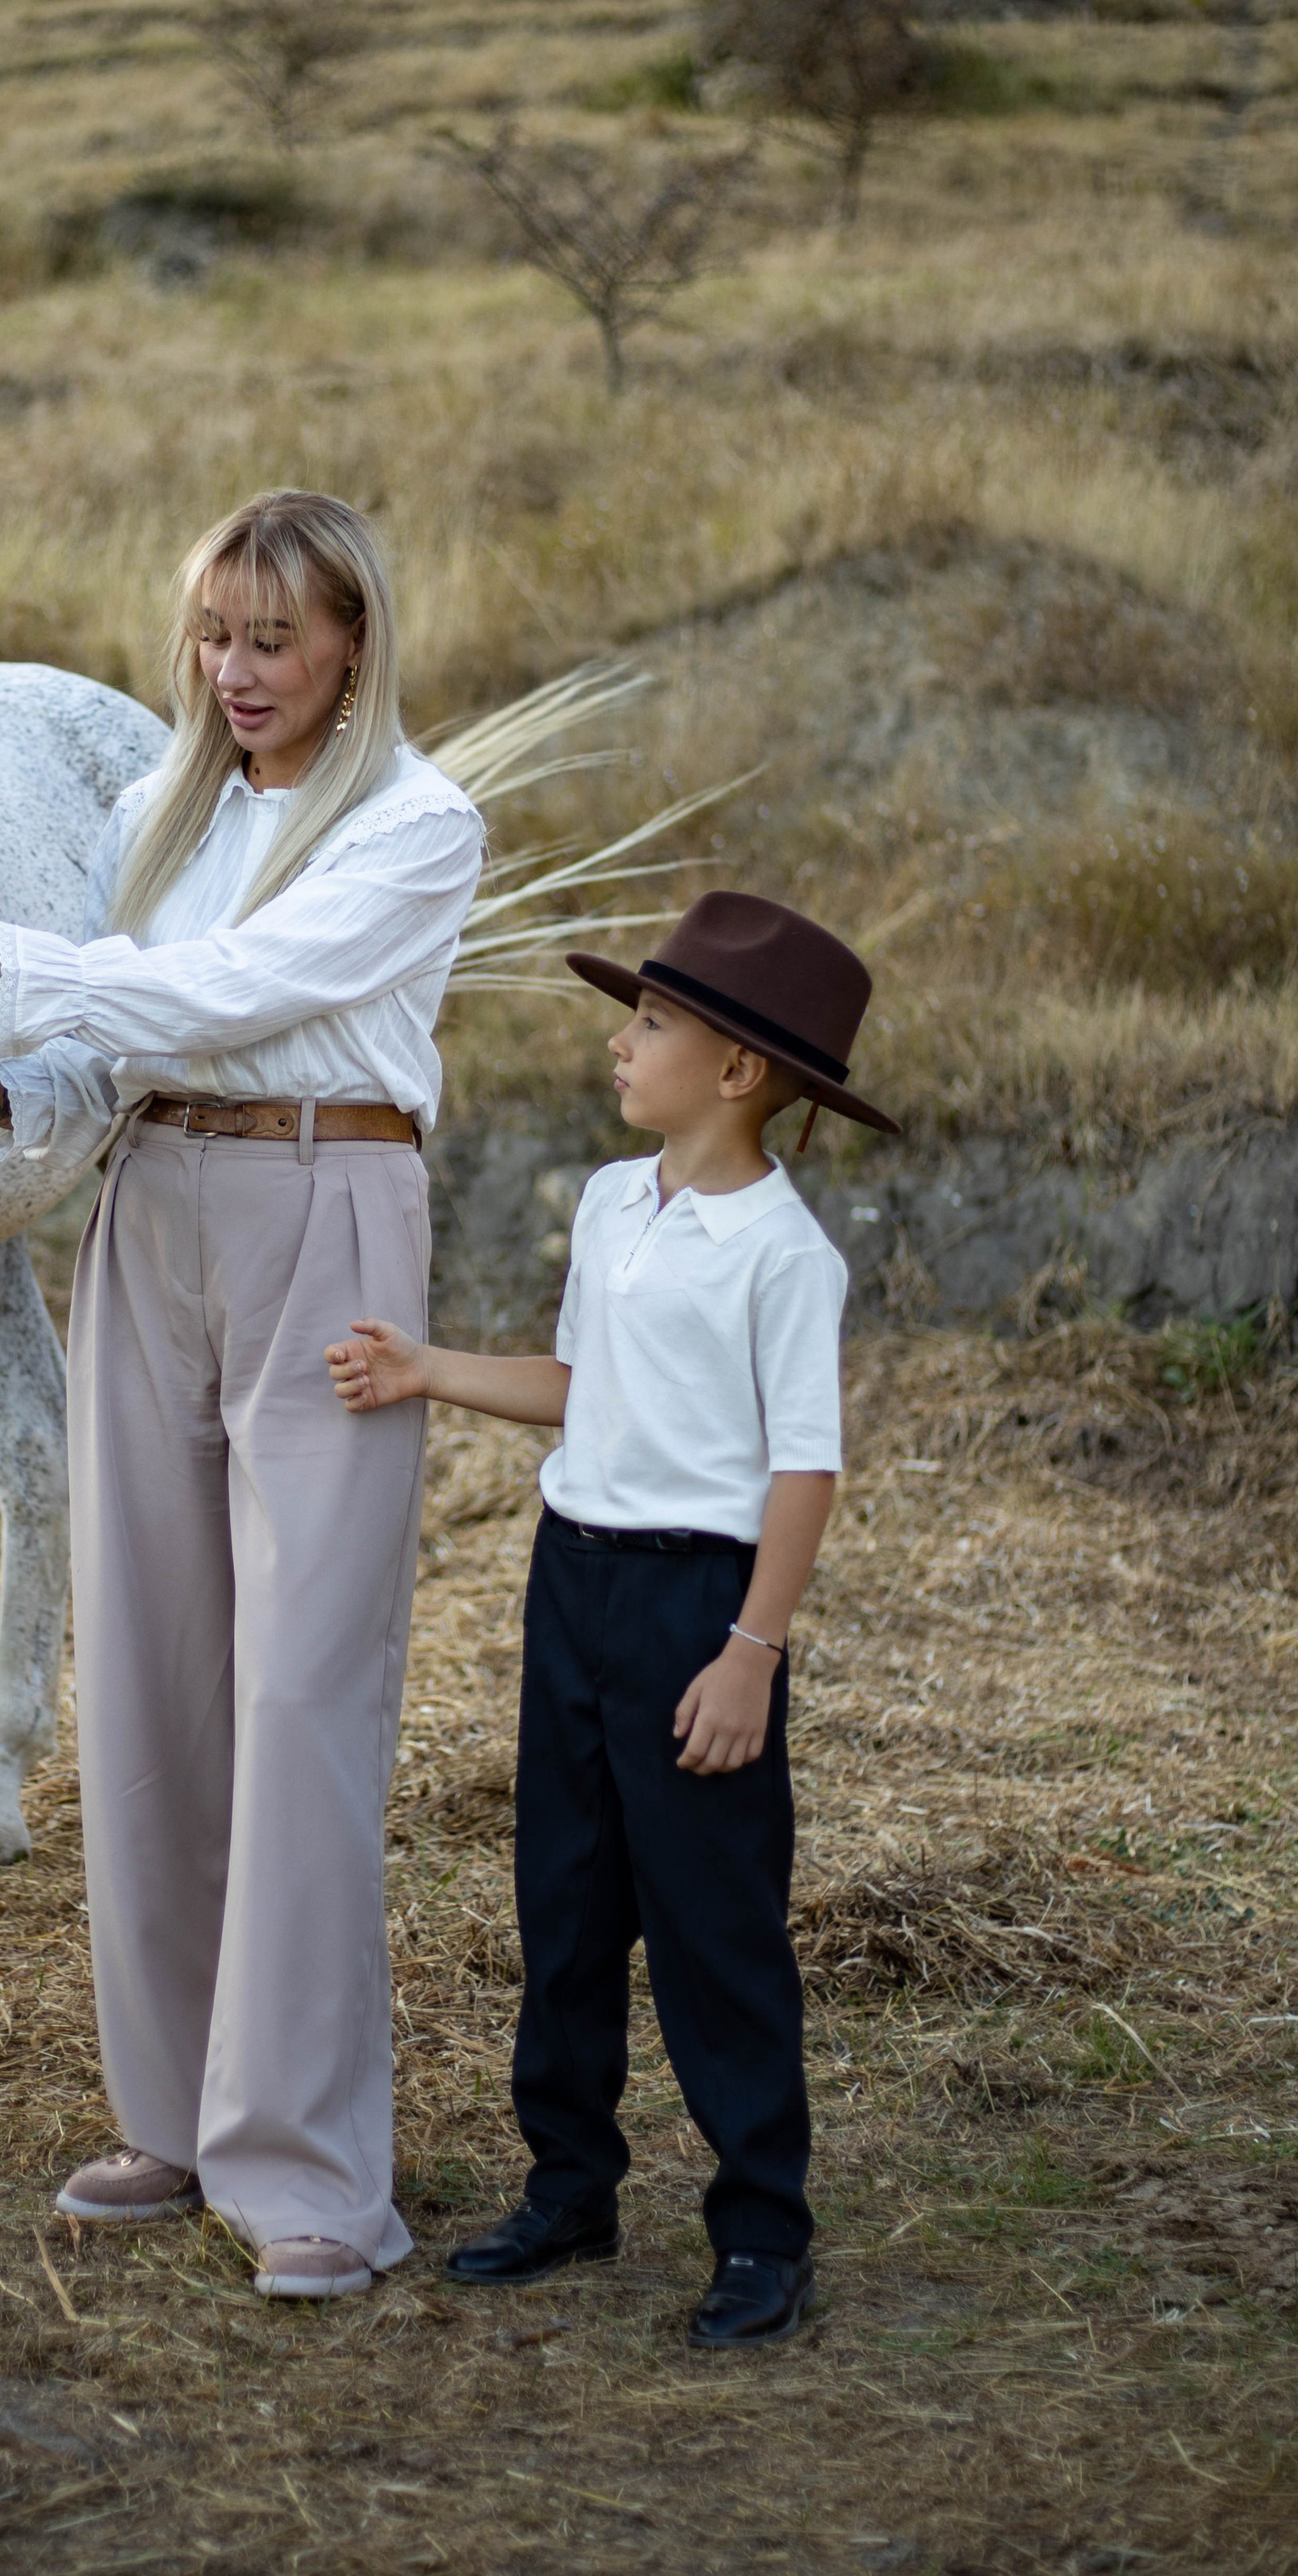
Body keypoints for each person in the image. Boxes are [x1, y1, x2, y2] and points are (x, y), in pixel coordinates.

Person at [0, 492, 483, 2298]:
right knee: (146, 1670)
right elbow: (120, 1040)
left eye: (273, 639)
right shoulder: (157, 814)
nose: (235, 673)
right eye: (213, 634)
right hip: (150, 1211)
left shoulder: (421, 824)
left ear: (351, 638)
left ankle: (308, 2176)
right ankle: (175, 2114)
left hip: (325, 1210)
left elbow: (239, 988)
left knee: (299, 1693)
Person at [327, 891, 897, 2348]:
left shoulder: (785, 1253)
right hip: (573, 1578)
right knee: (564, 1901)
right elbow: (584, 1386)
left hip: (698, 1603)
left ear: (738, 1073)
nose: (617, 1040)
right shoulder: (608, 1200)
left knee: (713, 1923)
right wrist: (427, 1369)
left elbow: (803, 1467)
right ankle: (570, 2186)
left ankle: (764, 2229)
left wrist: (749, 1655)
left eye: (649, 1021)